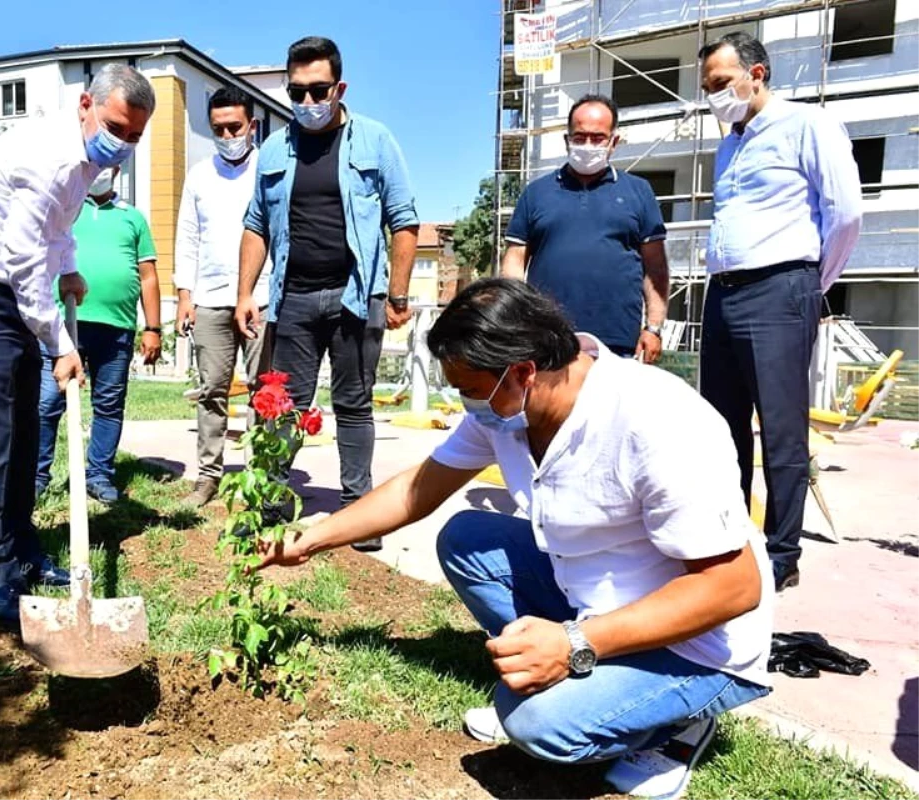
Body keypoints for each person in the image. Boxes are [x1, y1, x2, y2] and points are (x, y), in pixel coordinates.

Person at [260, 279, 773, 800]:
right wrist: (313, 537)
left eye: (470, 388)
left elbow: (732, 589)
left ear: (524, 371)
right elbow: (418, 490)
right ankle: (585, 675)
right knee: (468, 540)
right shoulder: (512, 410)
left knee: (531, 723)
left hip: (700, 643)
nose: (466, 403)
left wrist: (574, 644)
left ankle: (677, 728)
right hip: (598, 598)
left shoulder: (656, 421)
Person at [0, 64, 156, 631]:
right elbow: (25, 262)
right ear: (85, 105)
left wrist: (70, 269)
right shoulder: (46, 158)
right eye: (115, 127)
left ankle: (23, 550)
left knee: (24, 432)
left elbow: (57, 231)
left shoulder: (83, 163)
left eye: (133, 137)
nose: (121, 144)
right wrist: (60, 343)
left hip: (4, 298)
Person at [237, 36, 420, 551]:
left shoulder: (376, 140)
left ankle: (358, 511)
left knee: (354, 403)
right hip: (292, 297)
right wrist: (244, 293)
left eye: (319, 90)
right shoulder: (274, 149)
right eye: (298, 92)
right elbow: (256, 224)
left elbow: (403, 220)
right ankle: (269, 507)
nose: (309, 102)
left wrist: (397, 294)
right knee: (283, 406)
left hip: (356, 296)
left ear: (339, 87)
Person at [698, 32, 862, 592]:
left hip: (781, 287)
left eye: (722, 83)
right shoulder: (729, 145)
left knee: (782, 428)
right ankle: (729, 540)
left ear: (757, 73)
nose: (715, 95)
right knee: (721, 429)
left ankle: (781, 554)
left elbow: (844, 214)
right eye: (707, 88)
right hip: (722, 291)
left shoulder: (807, 126)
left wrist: (812, 285)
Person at [501, 94, 669, 362]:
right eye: (579, 137)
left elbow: (656, 267)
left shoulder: (639, 191)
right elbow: (514, 261)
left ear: (614, 141)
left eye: (598, 137)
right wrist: (515, 319)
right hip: (547, 340)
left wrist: (654, 327)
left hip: (619, 344)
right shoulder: (536, 193)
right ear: (567, 140)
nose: (587, 145)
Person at [36, 166, 162, 505]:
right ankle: (37, 476)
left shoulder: (132, 219)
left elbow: (149, 276)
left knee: (108, 404)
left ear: (118, 170)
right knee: (48, 401)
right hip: (63, 325)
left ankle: (99, 474)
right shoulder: (65, 211)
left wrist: (152, 327)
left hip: (116, 326)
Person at [174, 86, 271, 507]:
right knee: (212, 388)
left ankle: (261, 477)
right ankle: (209, 475)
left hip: (263, 297)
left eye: (235, 126)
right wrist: (184, 294)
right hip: (211, 299)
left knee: (263, 390)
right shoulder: (199, 175)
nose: (228, 135)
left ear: (252, 125)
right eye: (219, 128)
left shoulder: (270, 170)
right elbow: (187, 237)